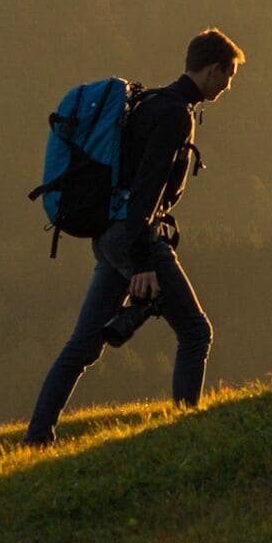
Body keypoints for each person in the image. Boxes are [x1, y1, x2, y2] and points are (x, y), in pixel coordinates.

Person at [23, 28, 244, 445]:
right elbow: (147, 188)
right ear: (214, 69)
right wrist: (143, 261)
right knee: (197, 333)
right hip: (134, 236)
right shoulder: (175, 114)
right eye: (228, 76)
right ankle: (185, 432)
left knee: (82, 346)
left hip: (110, 234)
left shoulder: (148, 102)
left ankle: (37, 437)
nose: (228, 86)